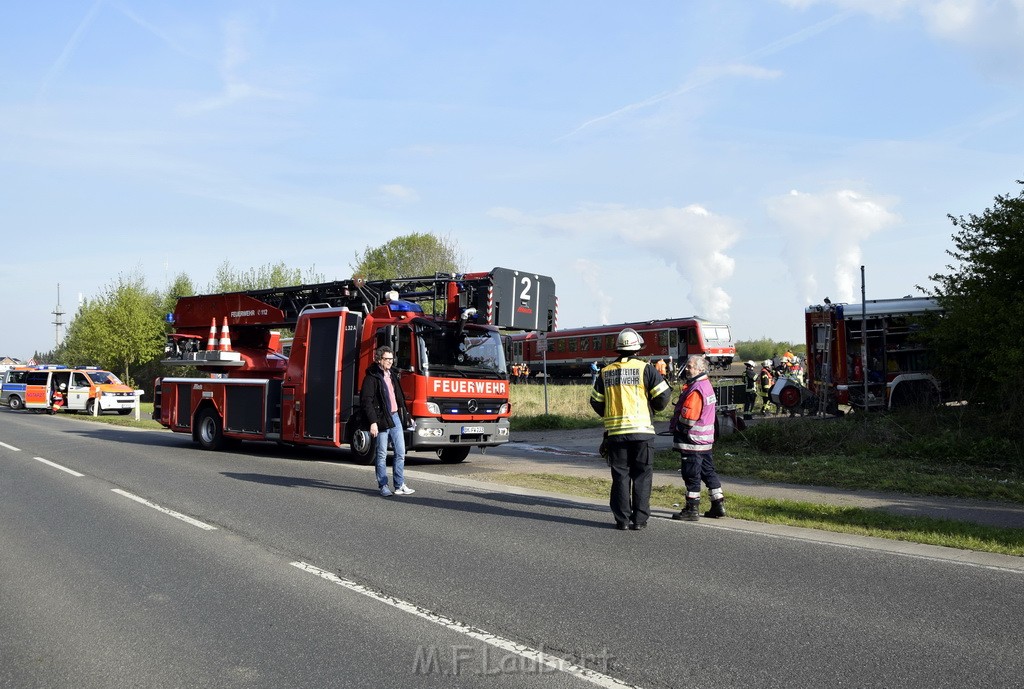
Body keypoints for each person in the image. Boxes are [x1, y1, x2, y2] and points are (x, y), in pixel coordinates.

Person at [590, 328, 671, 530]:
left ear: (618, 348)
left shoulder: (605, 372)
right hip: (642, 432)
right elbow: (663, 395)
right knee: (642, 475)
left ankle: (622, 521)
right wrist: (654, 408)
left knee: (620, 476)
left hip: (616, 433)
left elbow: (595, 401)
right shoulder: (646, 369)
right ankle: (639, 520)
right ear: (637, 348)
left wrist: (609, 414)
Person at [670, 355, 726, 521]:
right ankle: (718, 504)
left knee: (691, 474)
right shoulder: (706, 385)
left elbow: (688, 417)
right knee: (708, 472)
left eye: (690, 366)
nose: (687, 369)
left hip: (692, 441)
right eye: (687, 366)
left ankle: (692, 509)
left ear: (700, 369)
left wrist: (678, 428)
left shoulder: (696, 389)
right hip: (705, 441)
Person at [360, 346, 415, 497]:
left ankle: (399, 485)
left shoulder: (392, 375)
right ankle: (383, 485)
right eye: (387, 359)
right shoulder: (371, 377)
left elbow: (399, 397)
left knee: (401, 452)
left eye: (392, 359)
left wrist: (407, 415)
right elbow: (366, 401)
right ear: (378, 359)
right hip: (381, 419)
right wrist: (373, 422)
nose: (390, 362)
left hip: (395, 416)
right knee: (382, 453)